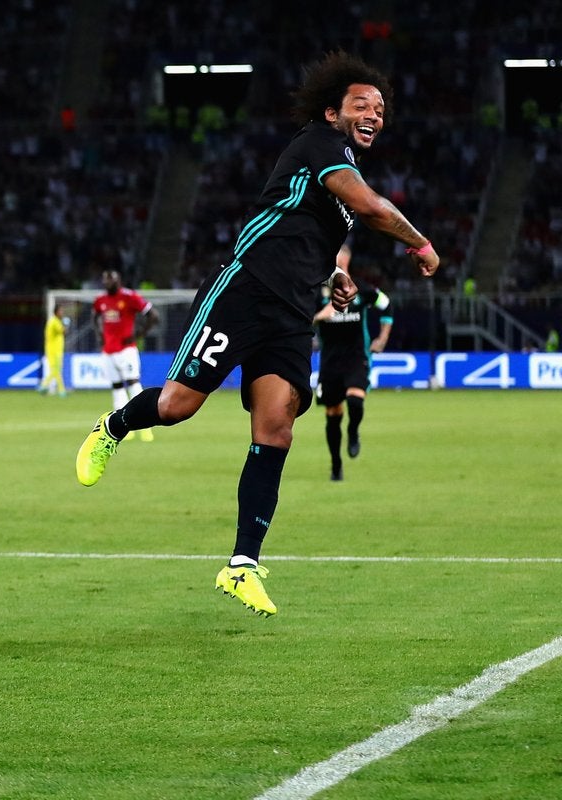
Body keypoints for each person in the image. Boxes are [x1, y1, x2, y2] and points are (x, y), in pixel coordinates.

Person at [75, 51, 439, 617]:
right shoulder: (319, 143)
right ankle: (113, 427)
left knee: (277, 429)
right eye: (361, 105)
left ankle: (242, 564)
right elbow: (371, 208)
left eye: (380, 109)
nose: (374, 114)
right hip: (244, 291)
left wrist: (335, 277)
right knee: (175, 406)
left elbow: (305, 237)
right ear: (332, 112)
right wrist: (420, 243)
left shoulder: (338, 174)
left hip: (292, 313)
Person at [313, 243, 393, 481]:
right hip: (330, 360)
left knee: (355, 399)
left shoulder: (361, 289)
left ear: (346, 261)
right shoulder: (317, 293)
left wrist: (382, 338)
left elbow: (386, 305)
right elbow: (301, 319)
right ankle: (336, 464)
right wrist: (319, 316)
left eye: (339, 259)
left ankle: (353, 431)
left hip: (356, 356)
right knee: (333, 412)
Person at [94, 269, 159, 441]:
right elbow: (95, 316)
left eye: (110, 280)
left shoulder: (129, 297)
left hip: (126, 350)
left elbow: (153, 315)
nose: (107, 283)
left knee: (133, 384)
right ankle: (124, 427)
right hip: (108, 351)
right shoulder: (100, 300)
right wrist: (100, 335)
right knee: (117, 387)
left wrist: (139, 334)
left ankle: (145, 426)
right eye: (105, 280)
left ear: (118, 281)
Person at [37, 303, 68, 397]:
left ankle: (61, 390)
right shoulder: (55, 322)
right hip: (55, 350)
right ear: (56, 312)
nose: (62, 313)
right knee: (56, 370)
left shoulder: (51, 321)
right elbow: (63, 331)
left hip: (50, 349)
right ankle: (44, 385)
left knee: (56, 370)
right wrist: (66, 324)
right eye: (61, 311)